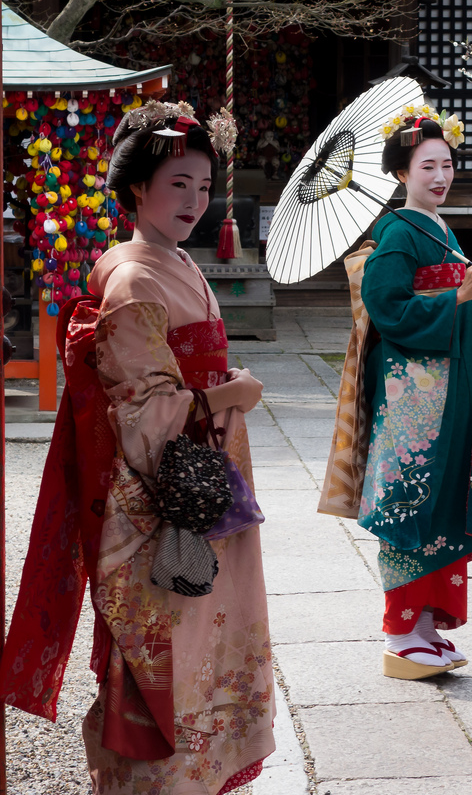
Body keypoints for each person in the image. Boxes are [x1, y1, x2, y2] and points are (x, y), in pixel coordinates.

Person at [0, 101, 275, 793]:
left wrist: (224, 389)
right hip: (158, 507)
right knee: (163, 665)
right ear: (134, 190)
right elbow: (145, 419)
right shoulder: (133, 279)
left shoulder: (175, 263)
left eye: (204, 186)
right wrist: (227, 397)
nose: (195, 201)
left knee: (207, 643)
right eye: (177, 184)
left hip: (202, 491)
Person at [355, 109, 472, 680]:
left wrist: (471, 287)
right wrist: (456, 298)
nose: (441, 175)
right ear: (402, 172)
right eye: (428, 165)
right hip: (414, 395)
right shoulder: (399, 232)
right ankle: (400, 631)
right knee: (410, 496)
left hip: (448, 386)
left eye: (447, 164)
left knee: (445, 496)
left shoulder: (440, 228)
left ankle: (425, 624)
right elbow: (387, 308)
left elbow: (454, 297)